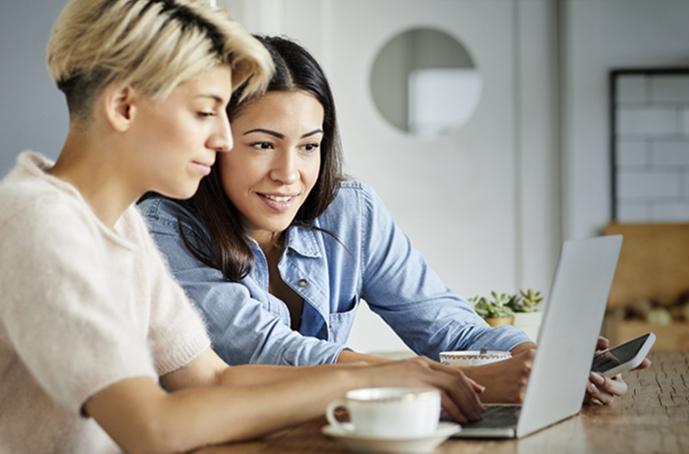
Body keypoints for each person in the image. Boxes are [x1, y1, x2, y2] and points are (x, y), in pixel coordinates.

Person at [0, 1, 483, 452]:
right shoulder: (39, 223)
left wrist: (387, 388)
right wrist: (357, 380)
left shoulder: (119, 225)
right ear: (124, 106)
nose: (224, 137)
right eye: (206, 111)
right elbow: (154, 427)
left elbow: (213, 379)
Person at [139, 35, 647, 405]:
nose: (289, 174)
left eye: (310, 146)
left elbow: (448, 326)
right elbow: (266, 352)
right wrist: (446, 381)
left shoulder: (349, 211)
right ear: (218, 142)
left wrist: (540, 361)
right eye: (263, 145)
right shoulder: (163, 228)